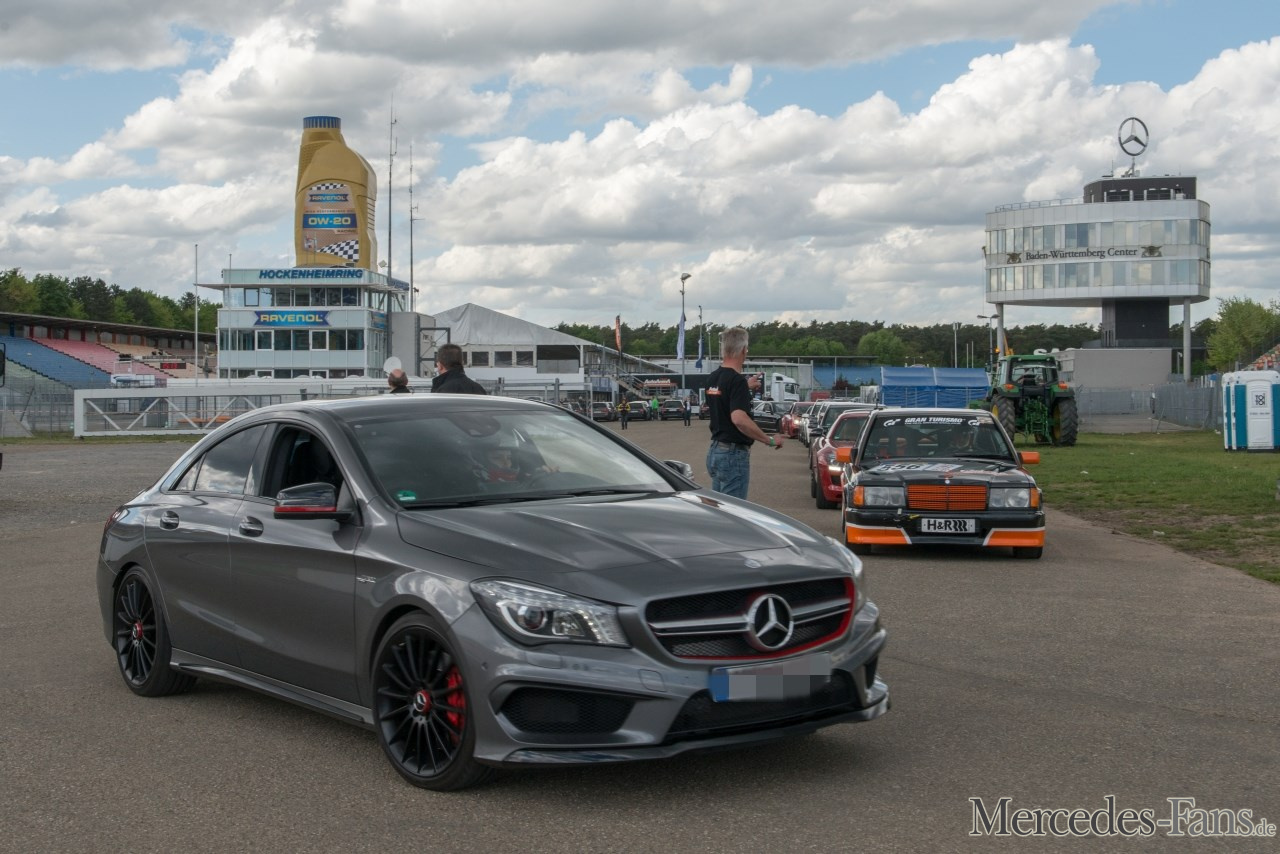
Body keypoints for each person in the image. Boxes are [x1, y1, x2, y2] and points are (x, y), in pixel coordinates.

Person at [704, 326, 783, 500]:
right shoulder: (736, 381)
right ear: (743, 350)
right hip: (732, 455)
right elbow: (738, 419)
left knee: (720, 509)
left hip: (715, 451)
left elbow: (723, 399)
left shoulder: (712, 378)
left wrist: (745, 386)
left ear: (724, 349)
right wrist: (769, 440)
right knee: (734, 512)